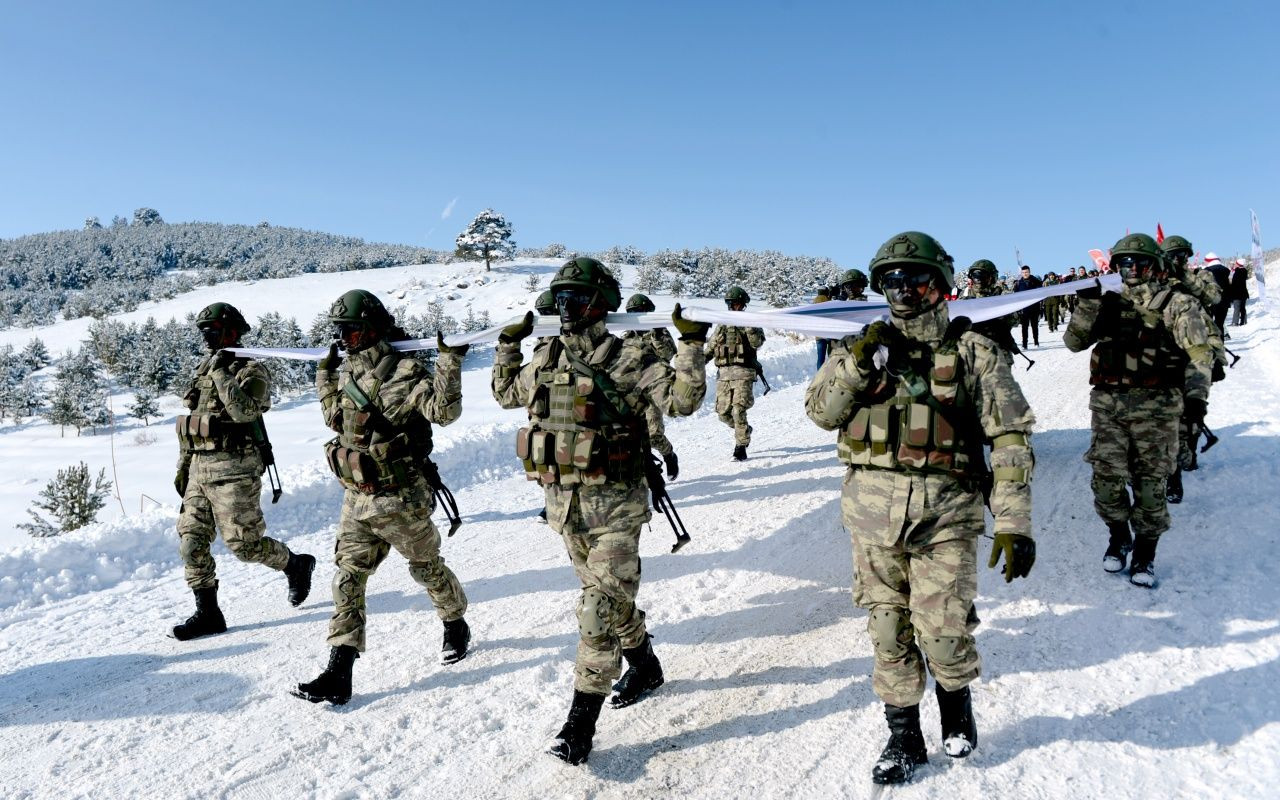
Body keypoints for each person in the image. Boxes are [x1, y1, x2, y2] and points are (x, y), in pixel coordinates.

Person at [805, 232, 1036, 785]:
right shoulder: (862, 348)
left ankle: (956, 709)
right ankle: (903, 734)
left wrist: (1013, 522)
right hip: (870, 516)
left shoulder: (975, 351)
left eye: (913, 278)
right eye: (891, 280)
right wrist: (857, 367)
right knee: (888, 629)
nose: (902, 290)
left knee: (943, 630)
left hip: (946, 514)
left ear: (940, 284)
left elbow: (1009, 440)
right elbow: (821, 412)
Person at [491, 257, 708, 765]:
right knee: (609, 600)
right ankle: (645, 665)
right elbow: (504, 394)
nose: (566, 307)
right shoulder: (544, 358)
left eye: (577, 298)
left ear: (602, 304)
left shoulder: (627, 356)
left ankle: (579, 723)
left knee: (596, 610)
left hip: (616, 507)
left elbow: (683, 400)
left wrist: (692, 346)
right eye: (560, 298)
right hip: (564, 506)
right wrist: (508, 345)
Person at [295, 290, 471, 706]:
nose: (343, 340)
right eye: (338, 332)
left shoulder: (406, 370)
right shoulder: (346, 372)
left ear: (373, 328)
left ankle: (455, 621)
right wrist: (324, 375)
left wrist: (449, 361)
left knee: (426, 568)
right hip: (356, 497)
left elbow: (443, 413)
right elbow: (334, 417)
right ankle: (340, 668)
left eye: (351, 331)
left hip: (400, 498)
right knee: (347, 578)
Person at [1064, 234, 1215, 588]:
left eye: (1138, 262)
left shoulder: (1177, 303)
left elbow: (1199, 354)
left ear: (1155, 266)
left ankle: (1146, 554)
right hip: (1109, 408)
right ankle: (1119, 535)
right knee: (1105, 484)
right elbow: (1073, 343)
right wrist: (1087, 306)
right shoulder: (1106, 301)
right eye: (1123, 263)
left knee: (1149, 488)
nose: (1130, 270)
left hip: (1158, 410)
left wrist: (1196, 401)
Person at [171, 302, 315, 641]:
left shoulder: (251, 370)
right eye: (203, 331)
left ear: (233, 331)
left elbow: (244, 411)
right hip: (199, 469)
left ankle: (295, 565)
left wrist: (222, 373)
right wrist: (183, 466)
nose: (206, 337)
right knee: (191, 542)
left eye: (213, 330)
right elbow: (193, 424)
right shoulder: (205, 369)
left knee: (245, 547)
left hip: (235, 470)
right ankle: (208, 613)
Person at [1158, 236, 1228, 500]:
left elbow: (1214, 297)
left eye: (1181, 256)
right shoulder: (1157, 278)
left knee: (1194, 405)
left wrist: (1184, 276)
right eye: (1172, 256)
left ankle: (1189, 452)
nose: (1177, 260)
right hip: (1167, 350)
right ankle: (1174, 466)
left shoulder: (1200, 277)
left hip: (1199, 348)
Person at [624, 293, 681, 480]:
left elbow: (668, 353)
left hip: (655, 387)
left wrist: (655, 333)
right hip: (633, 390)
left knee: (654, 435)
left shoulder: (659, 331)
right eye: (632, 313)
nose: (636, 316)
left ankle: (669, 454)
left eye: (639, 312)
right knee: (632, 436)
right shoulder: (627, 336)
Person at [706, 286, 766, 460]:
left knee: (738, 410)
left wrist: (748, 324)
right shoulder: (723, 324)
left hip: (744, 371)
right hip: (724, 374)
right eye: (730, 304)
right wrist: (696, 363)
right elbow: (711, 348)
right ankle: (744, 429)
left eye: (736, 304)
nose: (733, 307)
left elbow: (756, 343)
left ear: (743, 304)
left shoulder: (751, 321)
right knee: (723, 414)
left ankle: (740, 446)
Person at [961, 259, 1022, 366]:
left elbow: (1015, 320)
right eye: (975, 276)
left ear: (992, 277)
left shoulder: (1002, 295)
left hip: (998, 354)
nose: (978, 279)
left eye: (982, 276)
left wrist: (1000, 312)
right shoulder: (965, 296)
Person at [815, 269, 870, 368]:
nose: (850, 290)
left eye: (854, 286)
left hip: (850, 359)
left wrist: (839, 301)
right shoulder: (849, 305)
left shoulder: (855, 306)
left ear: (862, 287)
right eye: (847, 287)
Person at [1013, 265, 1043, 348]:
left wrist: (1041, 306)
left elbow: (1041, 293)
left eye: (1026, 272)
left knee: (1034, 326)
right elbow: (1016, 296)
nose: (1025, 274)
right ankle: (1024, 344)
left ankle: (1036, 342)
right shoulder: (1018, 283)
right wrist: (1017, 308)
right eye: (1023, 272)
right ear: (1021, 273)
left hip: (1034, 307)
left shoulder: (1035, 281)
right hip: (1024, 309)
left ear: (1029, 272)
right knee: (1024, 327)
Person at [1202, 253, 1231, 335]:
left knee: (1209, 325)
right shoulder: (1226, 270)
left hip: (1210, 301)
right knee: (1220, 324)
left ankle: (1212, 345)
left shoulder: (1207, 271)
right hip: (1224, 301)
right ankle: (1221, 345)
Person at [1230, 259, 1250, 326]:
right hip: (1243, 293)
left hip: (1237, 293)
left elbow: (1234, 283)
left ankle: (1235, 322)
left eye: (1235, 263)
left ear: (1238, 264)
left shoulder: (1237, 272)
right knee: (1242, 308)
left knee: (1236, 308)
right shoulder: (1244, 271)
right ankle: (1244, 321)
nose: (1234, 264)